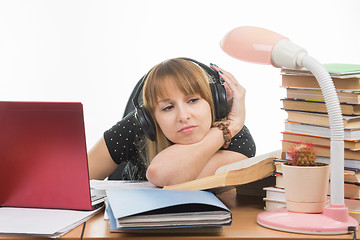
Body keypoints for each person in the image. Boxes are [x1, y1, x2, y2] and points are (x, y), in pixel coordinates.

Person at [88, 58, 256, 187]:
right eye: (168, 107)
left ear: (214, 102)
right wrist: (229, 127)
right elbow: (75, 182)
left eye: (193, 100)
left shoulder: (237, 138)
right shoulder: (136, 127)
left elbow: (164, 174)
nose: (183, 116)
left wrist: (229, 129)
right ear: (150, 119)